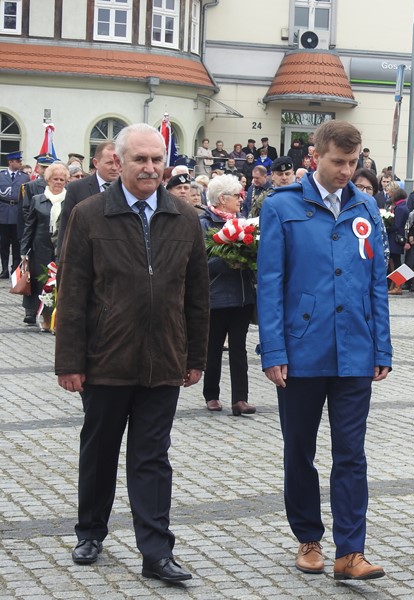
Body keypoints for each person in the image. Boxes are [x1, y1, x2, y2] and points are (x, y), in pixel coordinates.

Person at [55, 123, 210, 582]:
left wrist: (195, 357)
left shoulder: (184, 218)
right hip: (106, 358)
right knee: (100, 451)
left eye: (157, 159)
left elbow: (197, 295)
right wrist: (70, 362)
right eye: (140, 159)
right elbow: (73, 292)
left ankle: (156, 551)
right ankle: (90, 532)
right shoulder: (89, 215)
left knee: (152, 457)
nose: (149, 167)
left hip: (164, 359)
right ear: (118, 162)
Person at [256, 120, 391, 581]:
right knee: (300, 450)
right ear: (315, 157)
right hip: (301, 349)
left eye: (353, 163)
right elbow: (270, 283)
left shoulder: (366, 206)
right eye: (338, 162)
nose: (346, 171)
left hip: (355, 349)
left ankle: (350, 551)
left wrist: (382, 346)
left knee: (351, 453)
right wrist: (274, 350)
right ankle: (308, 538)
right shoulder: (281, 206)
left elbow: (376, 282)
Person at [199, 174, 257, 415]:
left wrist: (251, 258)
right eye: (237, 195)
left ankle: (240, 399)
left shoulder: (245, 223)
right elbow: (200, 263)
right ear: (222, 199)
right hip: (217, 297)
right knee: (213, 347)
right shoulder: (205, 224)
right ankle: (211, 394)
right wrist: (228, 261)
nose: (241, 199)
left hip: (243, 297)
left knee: (239, 348)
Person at [20, 162, 68, 331]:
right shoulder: (38, 199)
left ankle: (56, 320)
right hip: (40, 247)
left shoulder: (70, 201)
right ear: (48, 180)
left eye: (62, 179)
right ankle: (43, 318)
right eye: (55, 179)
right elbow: (29, 226)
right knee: (41, 283)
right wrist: (24, 250)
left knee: (59, 283)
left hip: (61, 248)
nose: (58, 182)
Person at [56, 141, 120, 260]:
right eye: (110, 163)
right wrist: (61, 260)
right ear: (96, 163)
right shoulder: (76, 188)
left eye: (118, 162)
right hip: (84, 257)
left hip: (118, 258)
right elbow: (66, 226)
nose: (115, 167)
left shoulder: (129, 189)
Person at [0, 150, 29, 278]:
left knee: (17, 244)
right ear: (10, 162)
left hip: (18, 213)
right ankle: (4, 269)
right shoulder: (1, 176)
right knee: (3, 244)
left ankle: (15, 269)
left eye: (20, 160)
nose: (20, 163)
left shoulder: (24, 177)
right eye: (18, 161)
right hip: (3, 212)